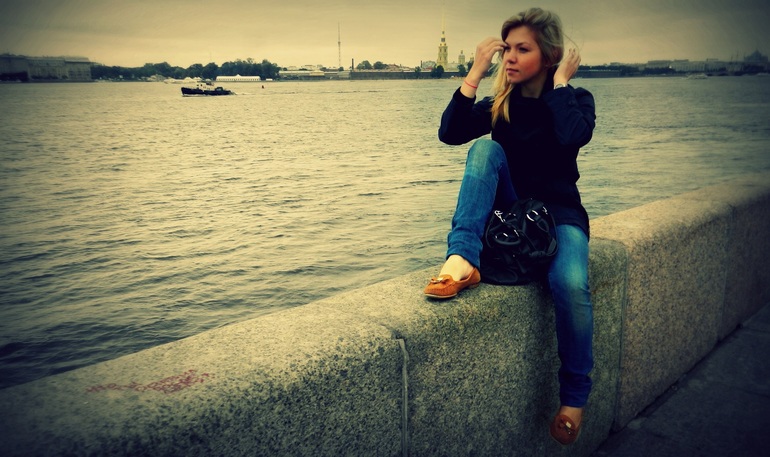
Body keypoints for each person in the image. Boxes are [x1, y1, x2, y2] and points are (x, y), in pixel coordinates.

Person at [422, 7, 596, 446]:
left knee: (570, 283)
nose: (511, 58)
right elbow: (449, 133)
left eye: (523, 49)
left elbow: (573, 136)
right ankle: (461, 258)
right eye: (507, 51)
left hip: (559, 213)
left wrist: (560, 84)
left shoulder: (575, 99)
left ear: (548, 55)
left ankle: (574, 397)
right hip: (513, 213)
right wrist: (475, 72)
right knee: (484, 151)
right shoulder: (502, 104)